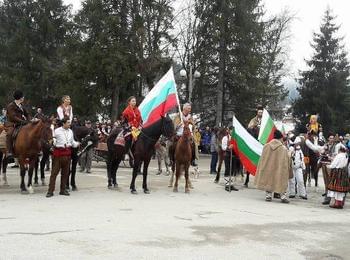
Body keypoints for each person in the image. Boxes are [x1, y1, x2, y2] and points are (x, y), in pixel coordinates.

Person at [254, 130, 292, 203]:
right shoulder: (283, 148)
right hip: (279, 168)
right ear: (280, 138)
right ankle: (283, 196)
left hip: (268, 167)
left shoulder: (266, 146)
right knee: (281, 179)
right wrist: (290, 153)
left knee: (268, 179)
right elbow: (286, 160)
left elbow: (262, 159)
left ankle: (268, 195)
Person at [46, 118, 80, 197]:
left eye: (69, 123)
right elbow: (53, 140)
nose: (69, 124)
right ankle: (50, 191)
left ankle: (63, 190)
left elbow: (72, 143)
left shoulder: (71, 132)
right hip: (58, 154)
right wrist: (52, 142)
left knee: (65, 173)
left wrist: (77, 143)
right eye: (68, 123)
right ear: (63, 123)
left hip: (67, 155)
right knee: (54, 173)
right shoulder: (57, 131)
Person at [5, 90, 31, 158]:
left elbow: (27, 114)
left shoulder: (21, 105)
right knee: (9, 134)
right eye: (23, 97)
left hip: (22, 124)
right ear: (20, 98)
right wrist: (22, 121)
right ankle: (9, 151)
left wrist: (29, 120)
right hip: (12, 124)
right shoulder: (11, 106)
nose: (23, 98)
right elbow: (13, 117)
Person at [245, 105, 264, 187]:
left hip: (262, 140)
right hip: (255, 139)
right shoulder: (253, 120)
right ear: (257, 112)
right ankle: (247, 179)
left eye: (261, 112)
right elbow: (249, 126)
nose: (260, 113)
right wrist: (255, 126)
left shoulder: (265, 120)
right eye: (259, 112)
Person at [221, 127, 238, 191]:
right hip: (227, 155)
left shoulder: (236, 138)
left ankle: (232, 184)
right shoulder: (225, 138)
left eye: (233, 131)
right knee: (228, 169)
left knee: (233, 170)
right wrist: (229, 147)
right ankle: (227, 185)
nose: (232, 132)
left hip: (234, 155)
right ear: (229, 131)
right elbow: (223, 147)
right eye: (231, 130)